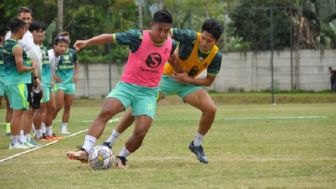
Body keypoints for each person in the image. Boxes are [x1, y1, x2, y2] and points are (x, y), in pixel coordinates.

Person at [66, 10, 180, 168]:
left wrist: (181, 72)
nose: (162, 34)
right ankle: (85, 151)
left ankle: (122, 157)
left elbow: (172, 58)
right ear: (151, 25)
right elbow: (109, 37)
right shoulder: (137, 37)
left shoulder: (171, 43)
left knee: (141, 131)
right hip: (127, 86)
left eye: (166, 31)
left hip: (149, 92)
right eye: (159, 29)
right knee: (106, 111)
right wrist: (88, 42)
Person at [103, 19, 224, 164]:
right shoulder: (189, 36)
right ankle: (110, 141)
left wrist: (188, 80)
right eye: (203, 38)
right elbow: (165, 34)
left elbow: (209, 81)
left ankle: (196, 144)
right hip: (165, 78)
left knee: (211, 109)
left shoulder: (216, 56)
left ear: (216, 41)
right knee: (139, 106)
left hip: (187, 83)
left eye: (209, 41)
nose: (204, 43)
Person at [3, 18, 36, 149]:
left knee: (16, 112)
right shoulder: (17, 47)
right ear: (20, 29)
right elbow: (20, 68)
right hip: (18, 82)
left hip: (9, 82)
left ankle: (17, 141)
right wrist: (32, 67)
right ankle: (14, 142)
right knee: (18, 113)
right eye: (24, 29)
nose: (25, 32)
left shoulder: (6, 44)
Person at [52, 32, 79, 135]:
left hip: (70, 84)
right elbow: (49, 66)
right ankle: (48, 124)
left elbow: (76, 65)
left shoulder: (73, 52)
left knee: (68, 107)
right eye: (63, 39)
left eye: (67, 39)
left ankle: (64, 128)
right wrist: (54, 76)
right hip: (60, 84)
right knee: (58, 106)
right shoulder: (57, 53)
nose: (65, 41)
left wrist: (75, 75)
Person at [0, 29, 13, 136]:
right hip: (0, 79)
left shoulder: (11, 48)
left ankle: (8, 128)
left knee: (10, 105)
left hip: (9, 79)